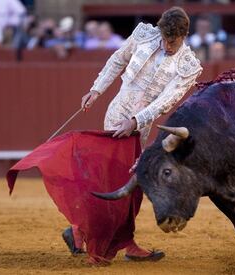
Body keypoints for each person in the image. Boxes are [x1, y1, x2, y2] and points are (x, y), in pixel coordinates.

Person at [64, 6, 202, 263]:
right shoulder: (145, 35)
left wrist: (137, 121)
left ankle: (84, 231)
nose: (167, 45)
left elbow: (166, 101)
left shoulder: (188, 65)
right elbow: (117, 59)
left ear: (184, 36)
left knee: (125, 182)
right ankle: (111, 241)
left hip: (140, 124)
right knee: (115, 179)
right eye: (165, 38)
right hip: (117, 113)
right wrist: (96, 90)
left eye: (173, 41)